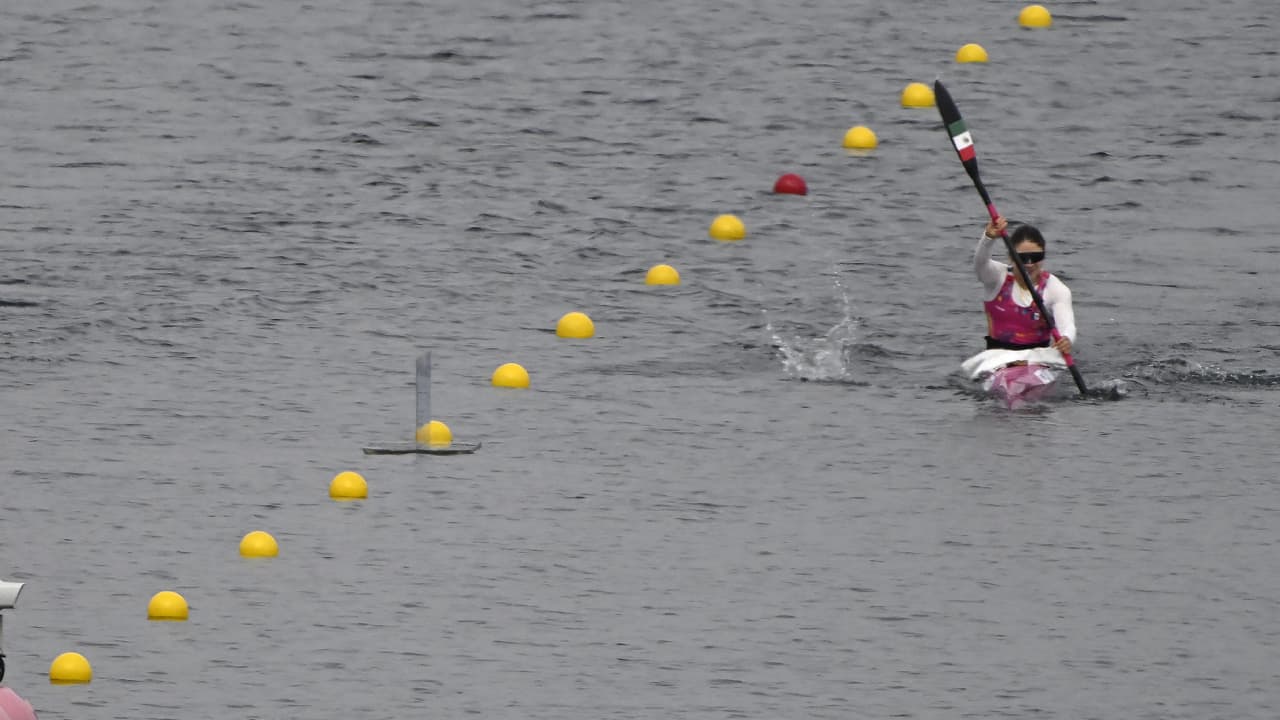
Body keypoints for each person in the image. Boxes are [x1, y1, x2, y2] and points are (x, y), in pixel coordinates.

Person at [975, 215, 1075, 355]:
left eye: (1036, 257)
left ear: (1044, 256)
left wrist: (1067, 339)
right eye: (1022, 258)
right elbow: (980, 265)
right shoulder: (996, 277)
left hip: (1038, 360)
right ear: (1010, 257)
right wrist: (988, 238)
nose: (1029, 264)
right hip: (996, 359)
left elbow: (1067, 325)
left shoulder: (1056, 289)